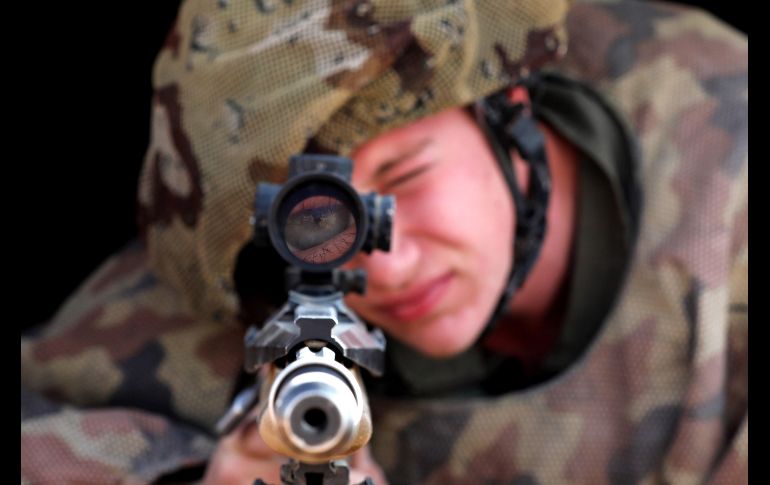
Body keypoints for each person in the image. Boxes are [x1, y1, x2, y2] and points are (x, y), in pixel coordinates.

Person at [21, 1, 747, 484]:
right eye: (309, 227)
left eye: (406, 174)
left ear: (509, 106)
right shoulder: (234, 296)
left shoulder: (727, 189)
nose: (386, 265)